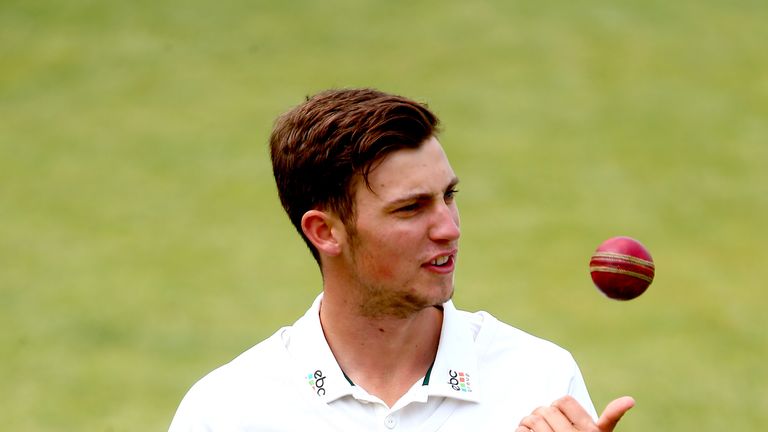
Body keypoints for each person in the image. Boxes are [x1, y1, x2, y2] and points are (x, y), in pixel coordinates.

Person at [168, 88, 635, 431]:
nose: (449, 228)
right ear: (325, 231)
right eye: (411, 208)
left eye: (448, 196)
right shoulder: (227, 410)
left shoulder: (539, 378)